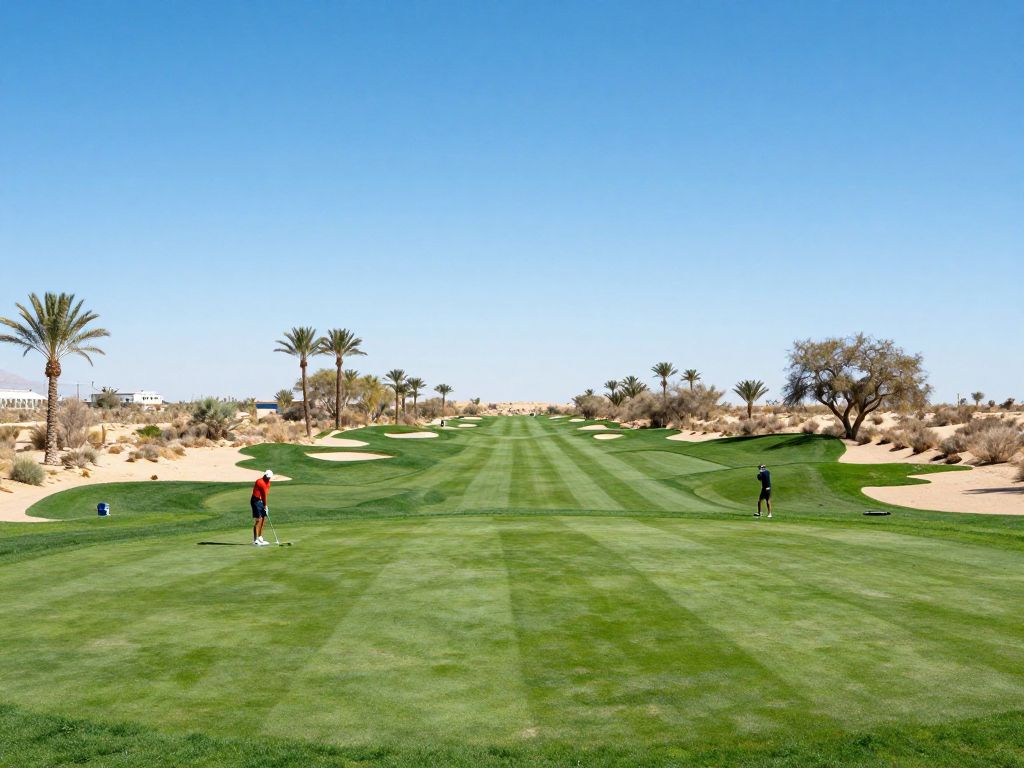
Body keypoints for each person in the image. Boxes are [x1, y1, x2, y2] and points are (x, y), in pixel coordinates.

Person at [251, 469, 273, 545]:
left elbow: (265, 495)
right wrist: (265, 505)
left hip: (260, 501)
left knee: (264, 518)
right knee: (258, 519)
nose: (268, 478)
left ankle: (260, 537)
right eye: (267, 477)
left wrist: (264, 506)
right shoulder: (260, 482)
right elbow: (263, 496)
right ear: (264, 475)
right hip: (255, 501)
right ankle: (255, 539)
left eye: (269, 477)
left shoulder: (268, 483)